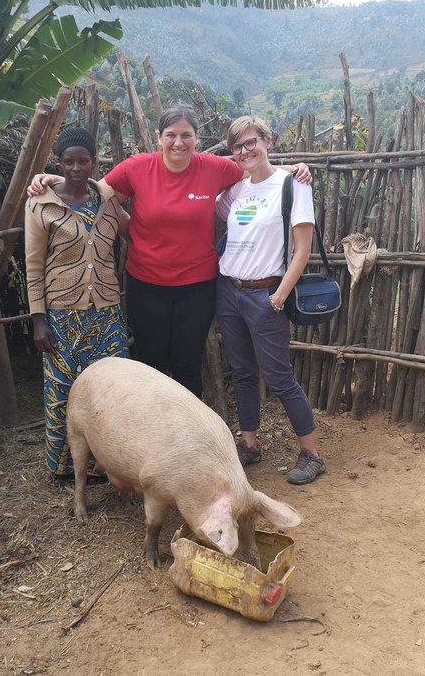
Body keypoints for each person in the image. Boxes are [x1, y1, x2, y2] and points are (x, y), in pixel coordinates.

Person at [29, 105, 309, 398]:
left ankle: (188, 437)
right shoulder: (137, 167)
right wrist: (55, 181)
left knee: (188, 364)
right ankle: (151, 436)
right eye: (171, 135)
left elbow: (257, 168)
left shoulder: (214, 168)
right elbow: (94, 193)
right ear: (158, 137)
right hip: (146, 286)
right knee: (151, 365)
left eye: (186, 135)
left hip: (197, 288)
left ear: (196, 138)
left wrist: (294, 170)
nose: (179, 142)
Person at [215, 116, 326, 485]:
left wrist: (278, 295)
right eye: (237, 147)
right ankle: (250, 444)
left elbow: (303, 249)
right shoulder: (234, 191)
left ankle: (312, 453)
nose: (245, 151)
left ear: (269, 141)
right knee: (243, 372)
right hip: (229, 290)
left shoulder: (293, 185)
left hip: (265, 293)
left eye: (252, 142)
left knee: (279, 377)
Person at [25, 127, 130, 480]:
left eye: (83, 161)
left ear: (93, 163)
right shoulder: (41, 204)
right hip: (61, 315)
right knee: (62, 390)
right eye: (68, 162)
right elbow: (34, 266)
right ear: (59, 163)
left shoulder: (108, 201)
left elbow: (136, 230)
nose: (75, 168)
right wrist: (39, 320)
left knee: (113, 391)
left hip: (106, 313)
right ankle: (63, 467)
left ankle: (109, 463)